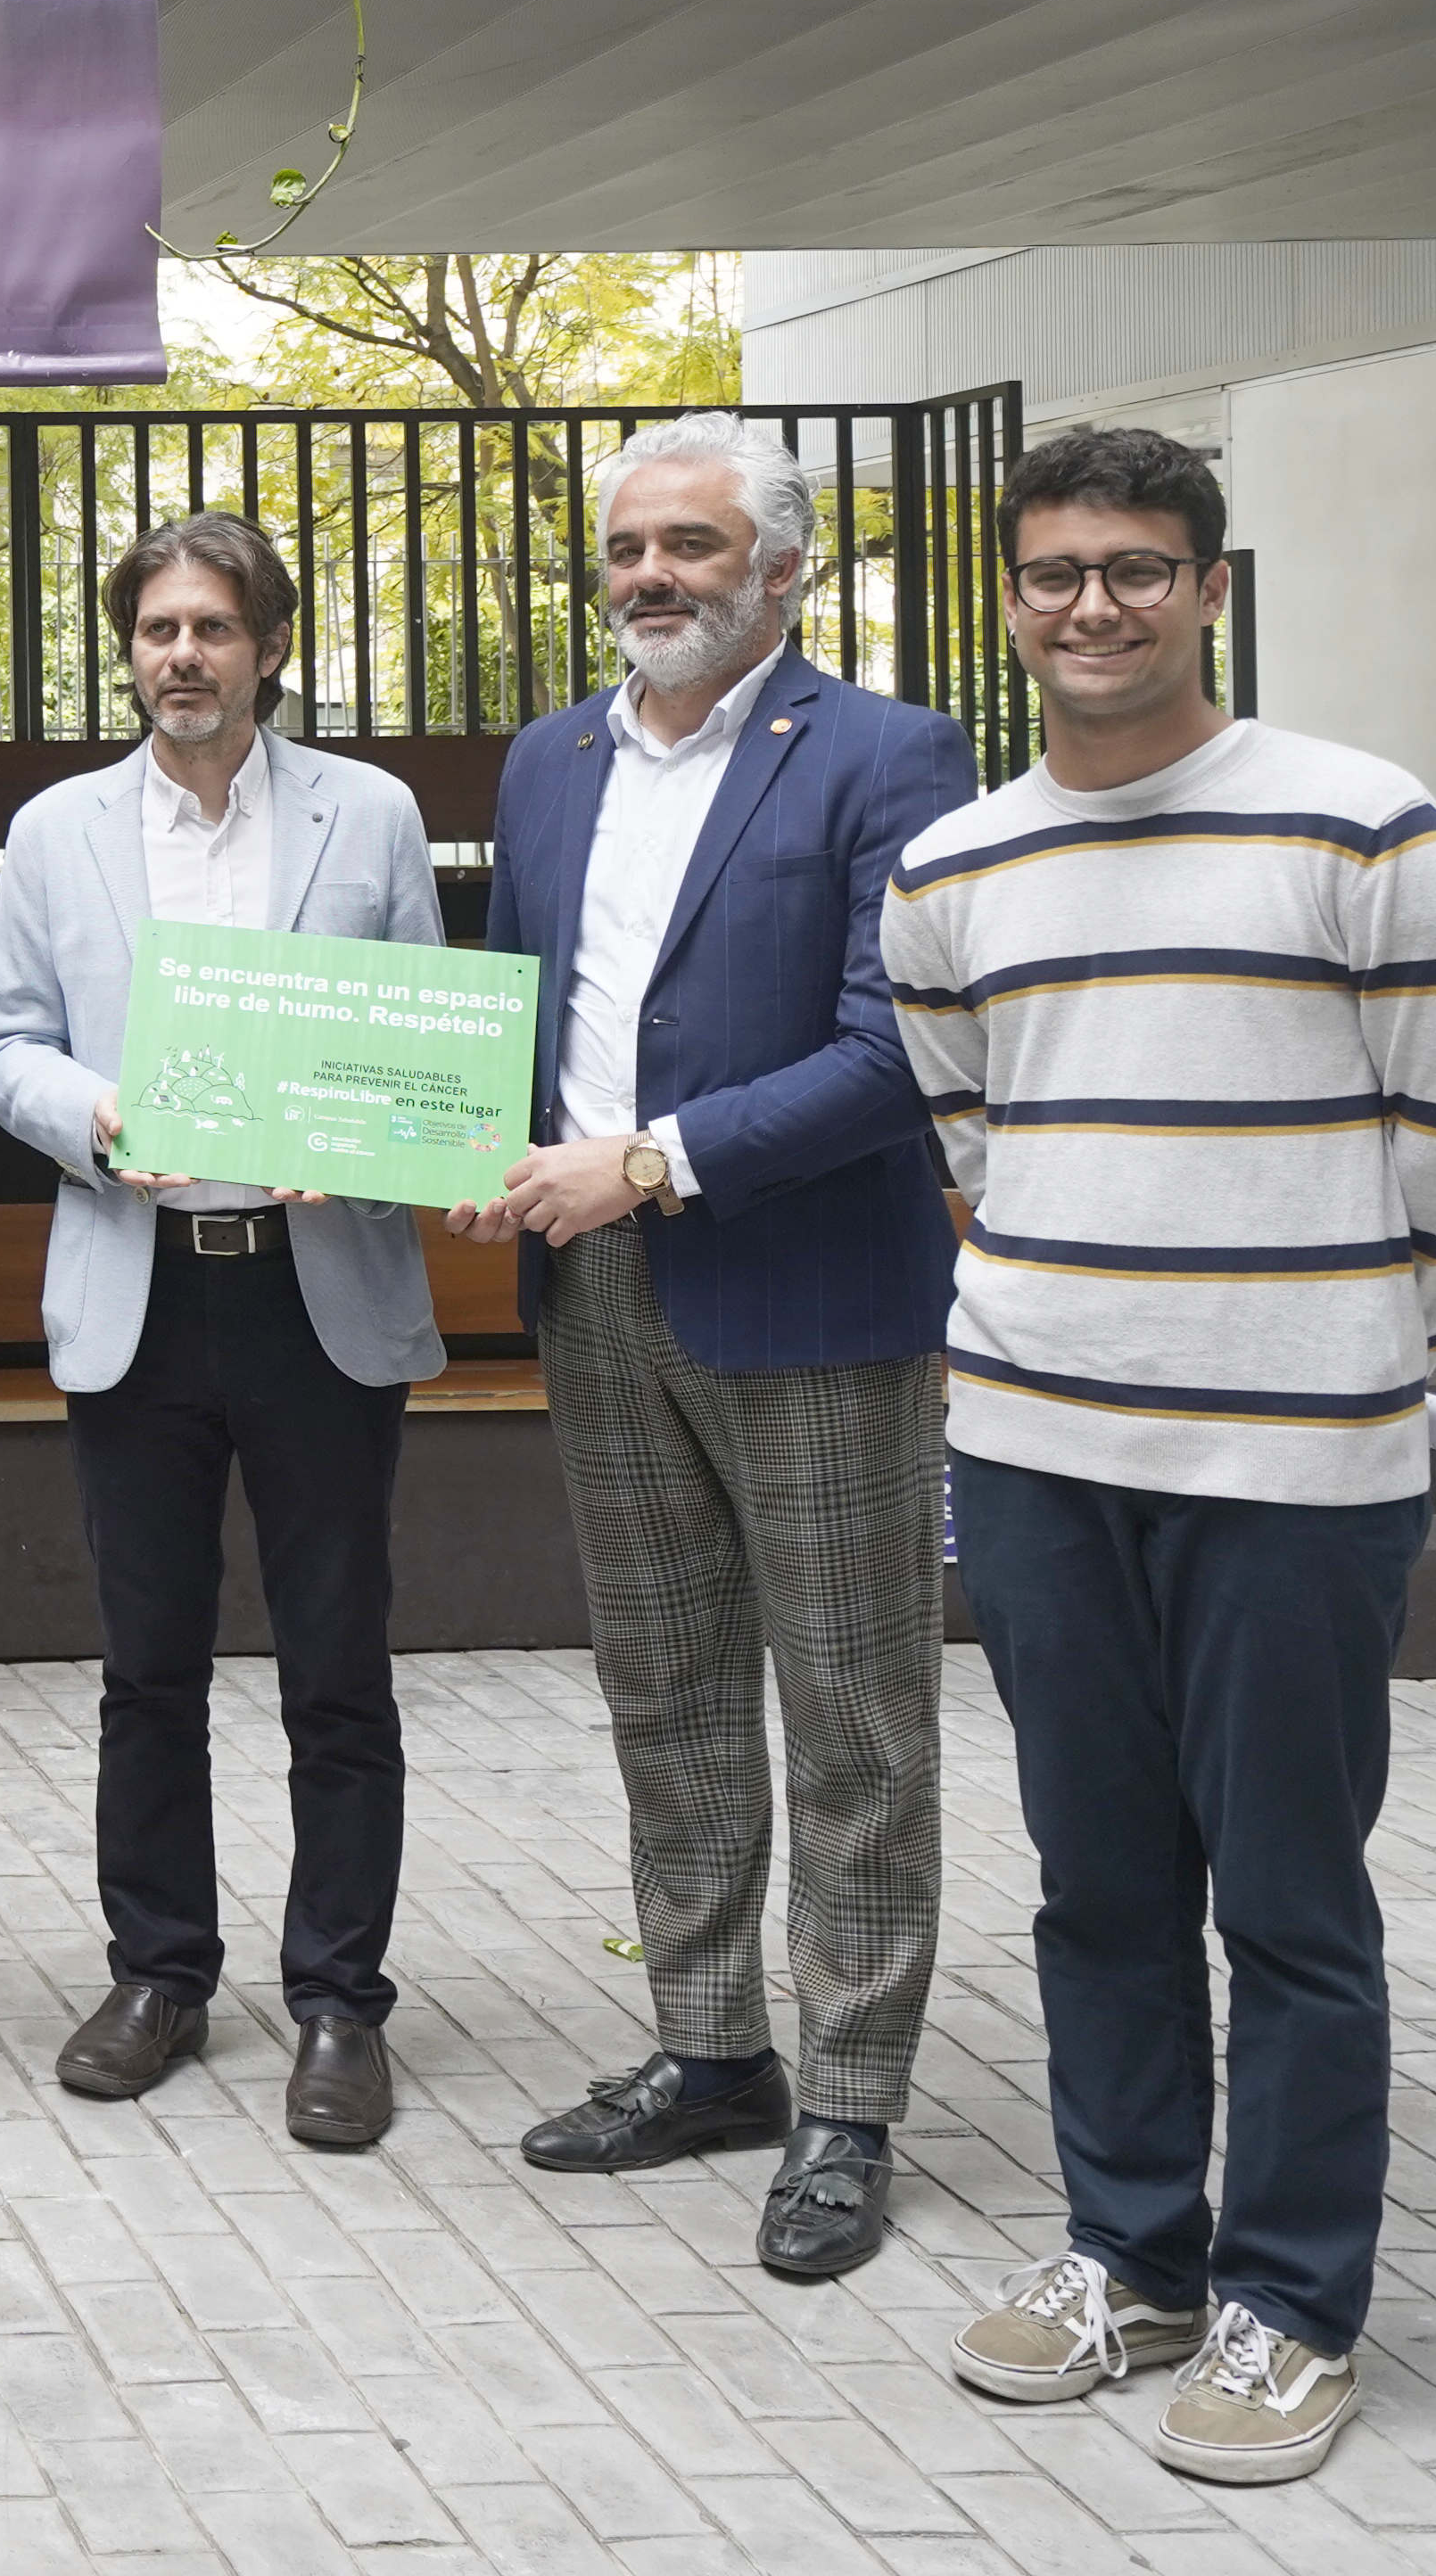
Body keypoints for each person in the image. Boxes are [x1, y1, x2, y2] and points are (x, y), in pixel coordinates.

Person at [896, 425, 1436, 2487]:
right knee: (1100, 1884)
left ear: (1207, 589)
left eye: (1140, 568)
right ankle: (1132, 2252)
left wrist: (1338, 1347)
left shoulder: (1365, 828)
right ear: (1009, 596)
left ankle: (1290, 2305)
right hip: (1041, 1446)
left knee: (1291, 1901)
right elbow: (976, 1137)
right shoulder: (954, 865)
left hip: (1298, 1465)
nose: (1097, 604)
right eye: (1058, 568)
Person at [467, 416, 976, 2280]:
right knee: (664, 1692)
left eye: (693, 543)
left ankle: (849, 2096)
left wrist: (653, 1160)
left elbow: (892, 1043)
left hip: (810, 1293)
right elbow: (528, 1007)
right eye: (628, 546)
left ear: (785, 570)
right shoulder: (550, 758)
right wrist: (477, 1146)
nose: (651, 575)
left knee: (853, 1713)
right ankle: (709, 2048)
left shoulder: (889, 752)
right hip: (594, 1295)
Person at [0, 512, 449, 2151]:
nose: (184, 655)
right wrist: (100, 1117)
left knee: (338, 1666)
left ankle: (340, 2006)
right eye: (159, 628)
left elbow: (427, 1035)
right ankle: (160, 1974)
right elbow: (3, 1045)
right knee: (147, 1669)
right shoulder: (58, 829)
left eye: (215, 629)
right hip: (141, 1283)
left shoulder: (370, 816)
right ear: (132, 650)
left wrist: (377, 1138)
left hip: (319, 1291)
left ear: (270, 649)